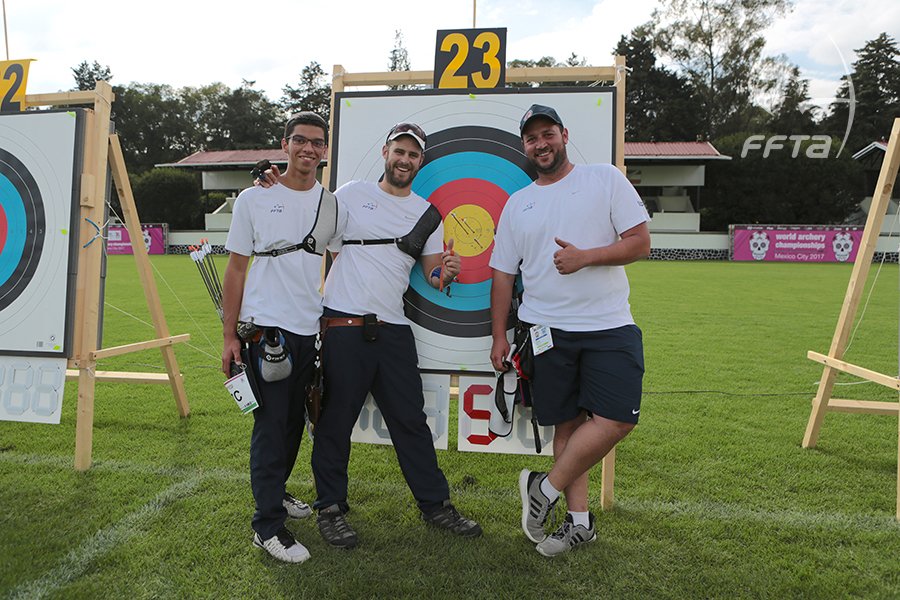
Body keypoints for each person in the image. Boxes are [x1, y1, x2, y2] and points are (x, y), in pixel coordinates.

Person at [309, 122, 482, 547]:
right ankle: (330, 509)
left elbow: (432, 274)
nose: (405, 160)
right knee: (334, 423)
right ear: (385, 151)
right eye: (399, 151)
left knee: (411, 423)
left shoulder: (427, 213)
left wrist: (446, 273)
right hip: (344, 326)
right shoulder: (349, 194)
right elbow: (325, 246)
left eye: (414, 155)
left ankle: (435, 506)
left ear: (420, 161)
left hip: (394, 333)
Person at [489, 104, 650, 557]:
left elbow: (640, 243)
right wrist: (499, 336)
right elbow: (503, 274)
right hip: (546, 330)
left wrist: (586, 257)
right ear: (525, 146)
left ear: (564, 133)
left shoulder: (603, 179)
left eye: (548, 134)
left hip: (609, 325)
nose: (541, 144)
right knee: (568, 424)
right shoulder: (518, 203)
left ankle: (545, 487)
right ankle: (579, 523)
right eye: (531, 138)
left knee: (617, 419)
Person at [221, 111, 340, 564]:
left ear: (325, 151)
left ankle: (277, 492)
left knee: (293, 423)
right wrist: (229, 336)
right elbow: (235, 268)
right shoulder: (254, 199)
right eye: (300, 141)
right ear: (285, 144)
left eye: (317, 143)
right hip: (266, 330)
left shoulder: (330, 205)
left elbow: (351, 253)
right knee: (271, 428)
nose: (308, 149)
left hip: (309, 330)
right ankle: (266, 525)